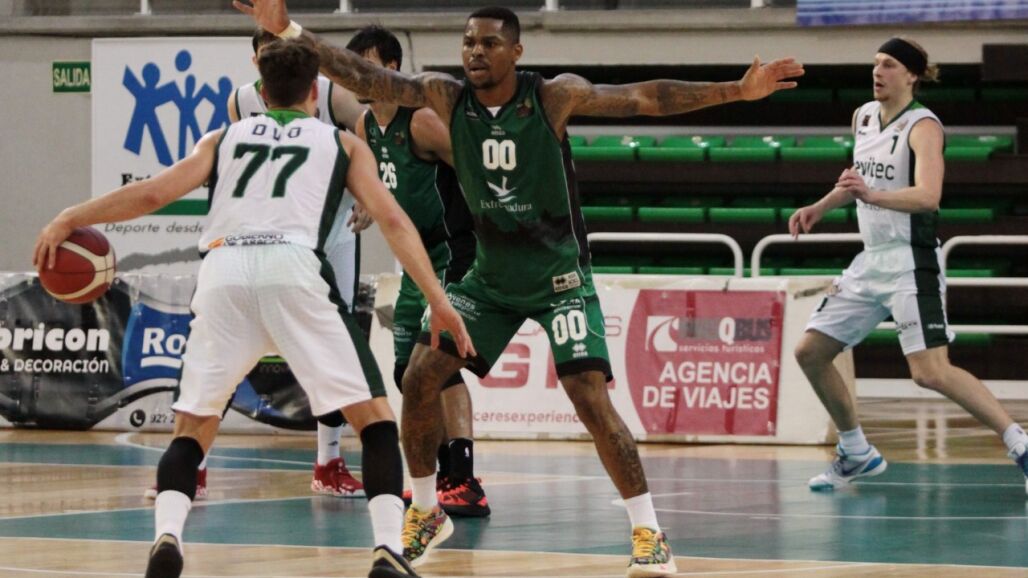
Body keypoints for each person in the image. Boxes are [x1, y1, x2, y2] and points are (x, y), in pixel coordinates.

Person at [235, 2, 802, 575]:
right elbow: (364, 75)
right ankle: (427, 510)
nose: (475, 51)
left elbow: (644, 97)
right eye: (468, 42)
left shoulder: (552, 97)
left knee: (588, 397)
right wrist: (287, 30)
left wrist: (737, 90)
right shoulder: (445, 97)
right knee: (420, 375)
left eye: (488, 42)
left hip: (559, 278)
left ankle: (649, 531)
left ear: (516, 51)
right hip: (491, 279)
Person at [34, 39, 474, 578]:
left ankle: (168, 535)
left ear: (262, 93)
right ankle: (387, 548)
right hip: (293, 270)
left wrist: (68, 217)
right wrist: (439, 300)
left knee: (192, 428)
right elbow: (394, 221)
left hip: (223, 274)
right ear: (314, 93)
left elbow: (151, 195)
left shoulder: (224, 138)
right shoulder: (341, 142)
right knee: (375, 420)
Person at [788, 37, 1028, 492]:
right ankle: (856, 452)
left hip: (910, 259)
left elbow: (928, 196)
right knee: (810, 352)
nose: (877, 72)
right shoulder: (862, 117)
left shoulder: (923, 126)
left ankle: (1020, 443)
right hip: (871, 260)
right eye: (876, 63)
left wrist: (872, 195)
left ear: (912, 75)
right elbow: (858, 181)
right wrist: (821, 206)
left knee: (930, 372)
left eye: (889, 65)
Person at [346, 25, 488, 518]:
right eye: (351, 68)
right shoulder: (365, 125)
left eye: (366, 65)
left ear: (391, 67)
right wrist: (368, 207)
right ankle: (446, 475)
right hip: (415, 259)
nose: (357, 76)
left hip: (454, 252)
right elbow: (379, 185)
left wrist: (501, 233)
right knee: (407, 372)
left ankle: (465, 479)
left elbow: (477, 172)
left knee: (437, 365)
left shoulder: (422, 120)